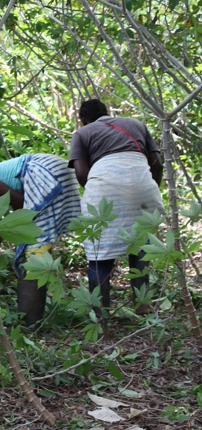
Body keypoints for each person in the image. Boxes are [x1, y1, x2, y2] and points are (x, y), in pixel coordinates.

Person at [0, 153, 81, 325]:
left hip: (44, 171)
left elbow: (21, 205)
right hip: (57, 170)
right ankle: (32, 319)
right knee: (37, 244)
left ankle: (30, 321)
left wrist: (12, 226)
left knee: (34, 249)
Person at [68, 99, 164, 316]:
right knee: (140, 245)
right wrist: (148, 190)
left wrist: (97, 192)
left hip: (104, 189)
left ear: (83, 120)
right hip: (143, 185)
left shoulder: (82, 134)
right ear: (107, 111)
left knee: (99, 250)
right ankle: (143, 305)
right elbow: (156, 164)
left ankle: (101, 315)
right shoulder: (136, 124)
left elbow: (81, 173)